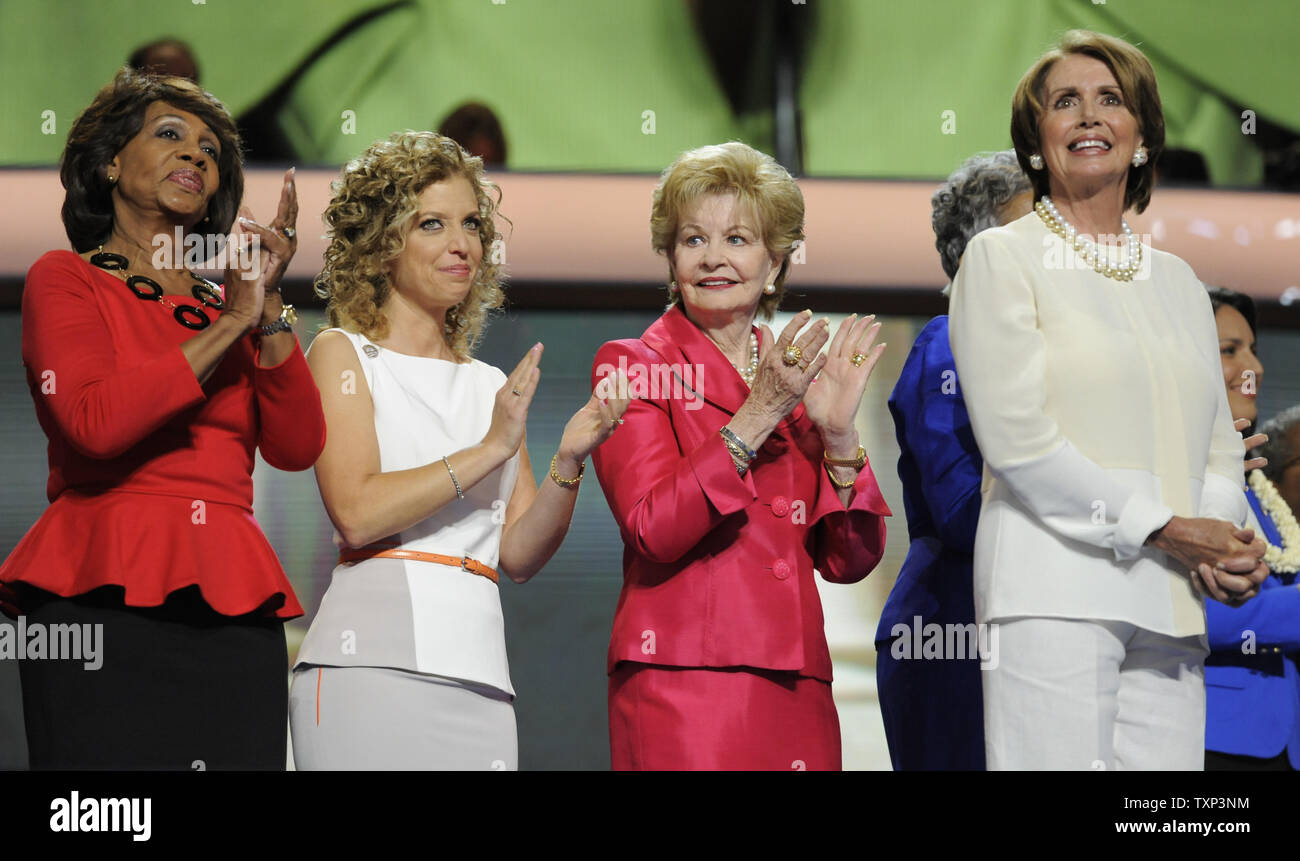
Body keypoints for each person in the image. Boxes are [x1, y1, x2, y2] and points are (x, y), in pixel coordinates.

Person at [948, 30, 1270, 770]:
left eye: (1110, 100)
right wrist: (1164, 527)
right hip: (1052, 590)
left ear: (1144, 136)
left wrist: (1215, 540)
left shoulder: (1182, 283)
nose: (1089, 117)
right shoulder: (1003, 257)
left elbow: (1218, 447)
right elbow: (1019, 441)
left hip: (1169, 600)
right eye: (1066, 103)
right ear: (1037, 143)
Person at [0, 68, 323, 769]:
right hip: (100, 591)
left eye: (210, 150)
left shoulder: (232, 304)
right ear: (111, 161)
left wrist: (271, 306)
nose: (196, 156)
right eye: (171, 136)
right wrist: (231, 320)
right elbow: (94, 422)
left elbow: (299, 444)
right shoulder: (67, 277)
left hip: (233, 603)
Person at [288, 131, 628, 770]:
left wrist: (568, 461)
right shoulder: (341, 354)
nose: (461, 243)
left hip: (480, 681)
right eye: (432, 224)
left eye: (472, 223)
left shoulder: (487, 385)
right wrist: (491, 447)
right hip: (370, 669)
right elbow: (357, 511)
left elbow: (518, 555)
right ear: (383, 242)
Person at [590, 141, 891, 771]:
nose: (714, 258)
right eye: (693, 240)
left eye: (738, 239)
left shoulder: (797, 372)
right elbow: (653, 525)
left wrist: (838, 436)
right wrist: (761, 413)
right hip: (685, 686)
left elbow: (848, 560)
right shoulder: (634, 365)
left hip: (797, 684)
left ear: (775, 263)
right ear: (671, 259)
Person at [875, 150, 1031, 771]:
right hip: (953, 635)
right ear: (978, 255)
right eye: (1035, 232)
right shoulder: (948, 343)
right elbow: (965, 511)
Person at [1203, 287, 1300, 770]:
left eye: (1254, 351)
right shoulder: (1171, 477)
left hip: (1285, 744)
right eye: (1229, 351)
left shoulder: (1257, 488)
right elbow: (1201, 616)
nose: (1255, 368)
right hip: (1213, 737)